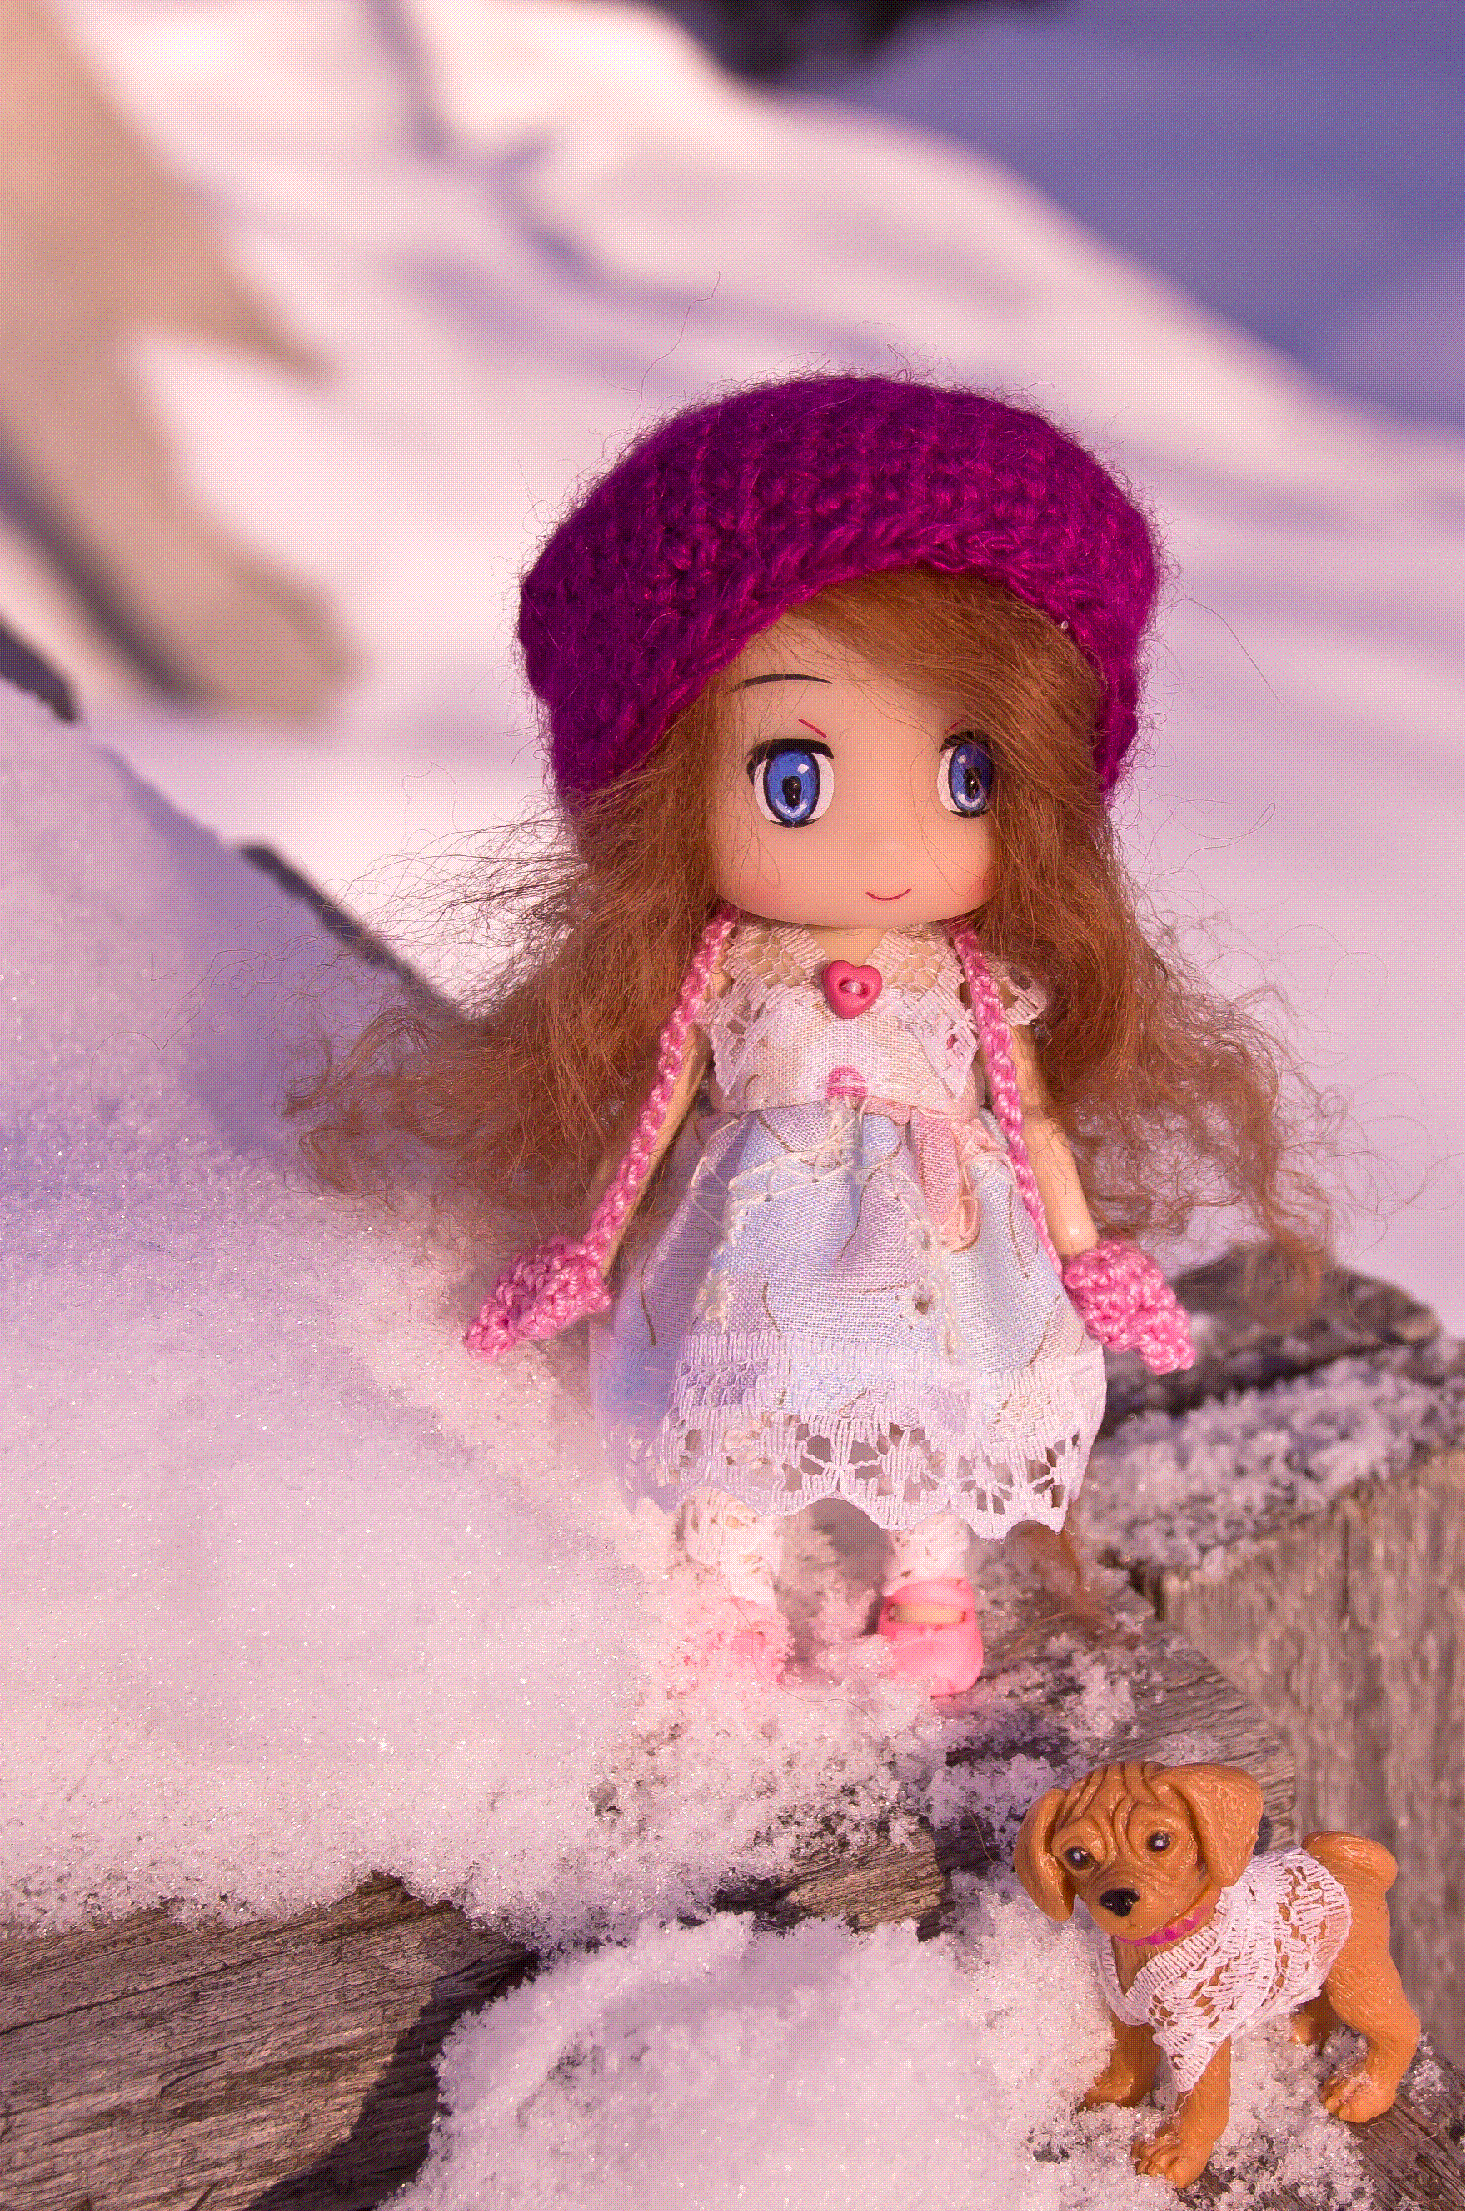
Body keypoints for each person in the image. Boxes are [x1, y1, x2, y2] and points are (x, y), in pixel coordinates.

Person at [304, 376, 1326, 1692]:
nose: (890, 847)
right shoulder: (726, 976)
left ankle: (928, 1588)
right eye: (796, 780)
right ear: (663, 801)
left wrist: (1087, 1258)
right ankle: (730, 1594)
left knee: (937, 1399)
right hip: (759, 1244)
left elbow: (1028, 1118)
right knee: (736, 1402)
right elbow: (659, 1113)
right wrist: (588, 1250)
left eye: (968, 778)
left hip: (942, 1244)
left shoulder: (970, 986)